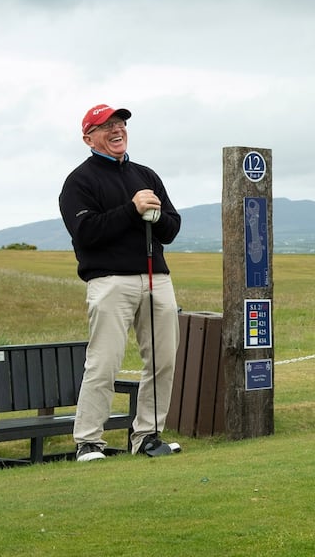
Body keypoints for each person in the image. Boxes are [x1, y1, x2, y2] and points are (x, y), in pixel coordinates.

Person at [59, 104, 182, 461]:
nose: (117, 130)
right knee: (105, 362)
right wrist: (132, 209)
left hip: (156, 278)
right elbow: (86, 233)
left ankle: (147, 436)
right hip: (110, 281)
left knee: (163, 361)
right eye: (106, 126)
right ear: (89, 138)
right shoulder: (79, 181)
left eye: (120, 123)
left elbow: (171, 229)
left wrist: (153, 215)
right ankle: (89, 442)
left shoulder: (146, 174)